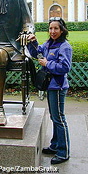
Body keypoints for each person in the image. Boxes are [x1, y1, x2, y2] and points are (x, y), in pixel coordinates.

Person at [27, 17, 72, 165]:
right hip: (50, 86)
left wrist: (48, 63)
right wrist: (32, 42)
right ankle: (55, 145)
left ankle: (63, 152)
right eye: (51, 28)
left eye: (56, 28)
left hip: (58, 87)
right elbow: (37, 54)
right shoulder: (48, 44)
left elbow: (65, 67)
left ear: (62, 30)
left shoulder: (64, 46)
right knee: (54, 117)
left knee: (59, 119)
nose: (53, 31)